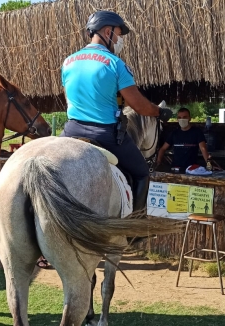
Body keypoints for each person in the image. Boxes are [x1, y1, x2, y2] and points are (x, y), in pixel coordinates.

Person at [60, 10, 173, 211]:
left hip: (70, 131)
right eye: (119, 34)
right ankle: (135, 226)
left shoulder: (68, 61)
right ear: (107, 31)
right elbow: (138, 105)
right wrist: (158, 112)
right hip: (104, 133)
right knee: (141, 173)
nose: (119, 40)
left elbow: (68, 98)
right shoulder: (115, 64)